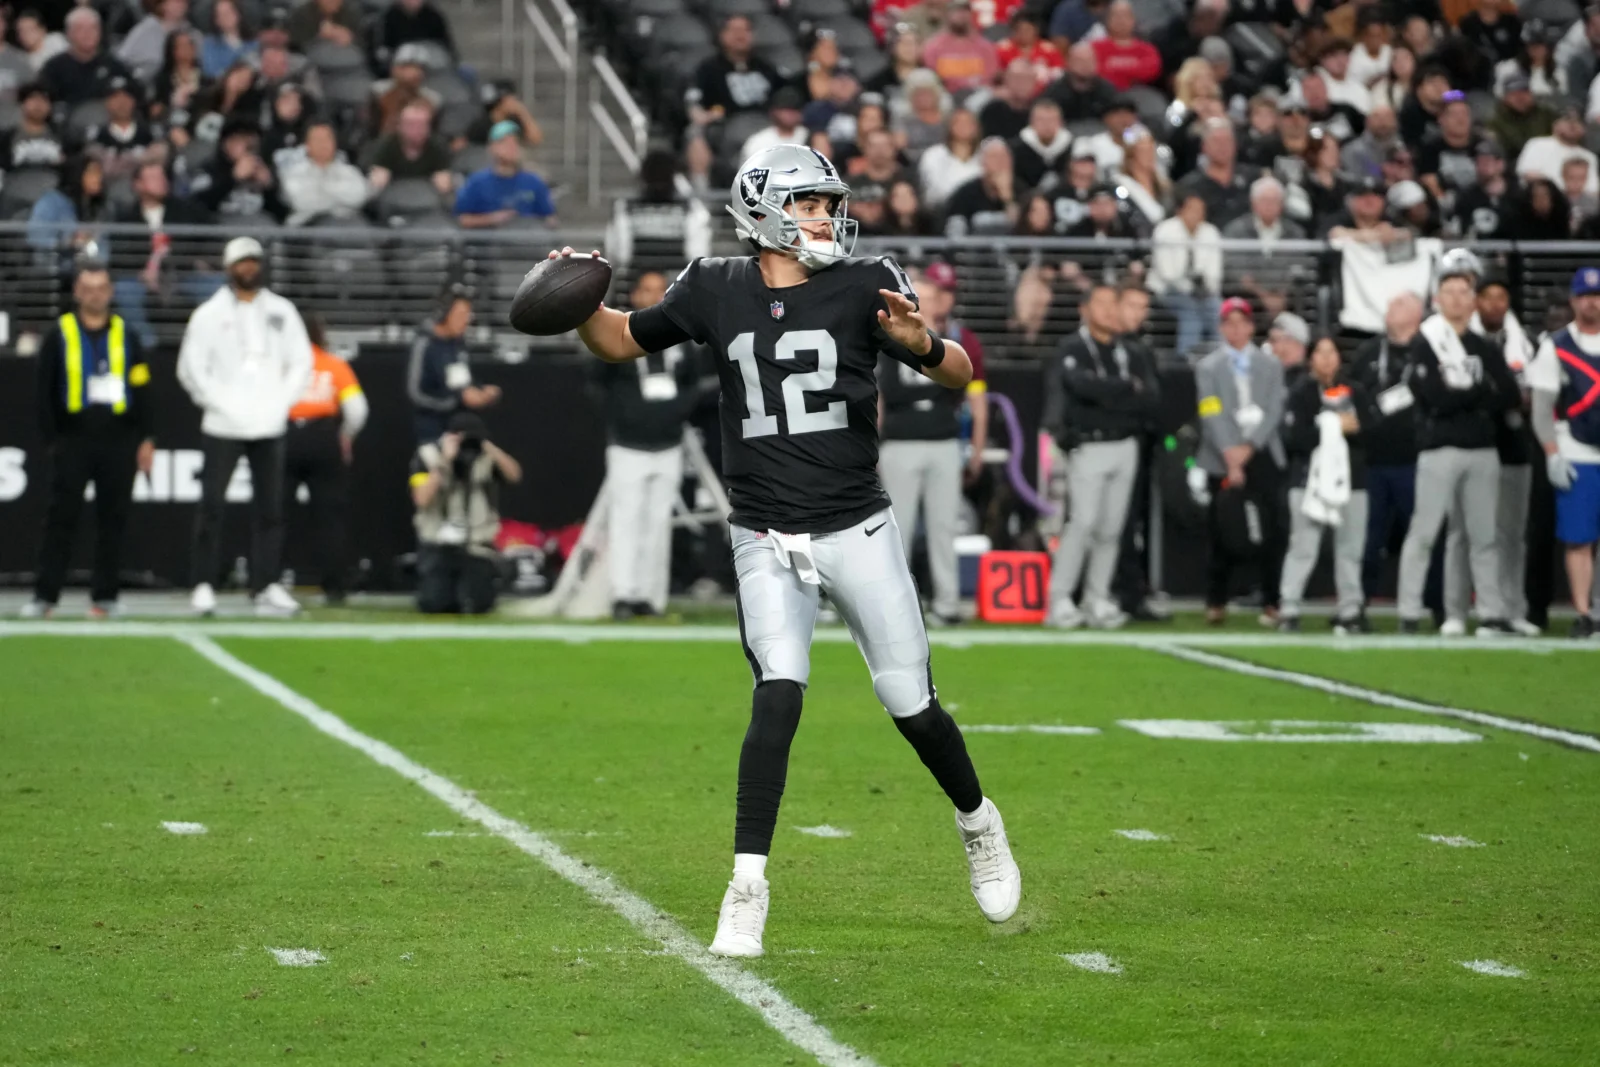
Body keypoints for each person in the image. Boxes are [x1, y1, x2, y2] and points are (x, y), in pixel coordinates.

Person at [553, 142, 1020, 958]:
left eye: (825, 204)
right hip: (765, 532)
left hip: (857, 526)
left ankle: (979, 821)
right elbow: (622, 340)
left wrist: (919, 342)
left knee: (912, 705)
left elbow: (957, 371)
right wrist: (577, 299)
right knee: (778, 695)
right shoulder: (712, 286)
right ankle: (747, 885)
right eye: (808, 204)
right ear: (766, 212)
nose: (825, 217)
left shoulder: (868, 276)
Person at [177, 237, 314, 617]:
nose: (249, 268)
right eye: (242, 262)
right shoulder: (208, 314)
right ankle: (204, 584)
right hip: (223, 422)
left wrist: (281, 401)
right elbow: (190, 368)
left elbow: (301, 361)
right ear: (229, 268)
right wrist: (218, 401)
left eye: (254, 261)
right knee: (212, 506)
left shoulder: (283, 312)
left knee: (271, 508)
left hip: (269, 422)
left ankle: (265, 585)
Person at [1395, 250, 1521, 636]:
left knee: (1484, 535)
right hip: (1440, 449)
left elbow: (1510, 394)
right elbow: (1434, 396)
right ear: (1438, 299)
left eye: (1462, 291)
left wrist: (1466, 393)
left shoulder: (1484, 346)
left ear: (1472, 300)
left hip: (1482, 450)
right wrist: (1478, 394)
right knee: (1428, 531)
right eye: (1447, 291)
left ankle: (1491, 611)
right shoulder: (1427, 342)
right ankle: (1413, 611)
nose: (1455, 299)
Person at [20, 262, 154, 620]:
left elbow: (141, 386)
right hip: (74, 439)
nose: (96, 294)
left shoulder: (127, 334)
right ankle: (45, 597)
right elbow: (43, 390)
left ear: (110, 292)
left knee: (113, 519)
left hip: (119, 439)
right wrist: (54, 439)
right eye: (88, 288)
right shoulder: (59, 334)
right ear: (77, 293)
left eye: (102, 288)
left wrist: (146, 437)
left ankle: (105, 597)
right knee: (61, 519)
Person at [1043, 282, 1159, 630]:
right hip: (1089, 446)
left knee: (1111, 529)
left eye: (1114, 303)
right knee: (1083, 523)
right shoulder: (1073, 347)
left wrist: (1104, 392)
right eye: (1102, 303)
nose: (1110, 310)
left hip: (1125, 445)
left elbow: (1150, 396)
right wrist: (1123, 389)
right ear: (1086, 309)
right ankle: (1059, 599)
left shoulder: (1130, 350)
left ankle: (1097, 598)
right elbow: (1078, 386)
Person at [878, 262, 987, 627]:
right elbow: (877, 394)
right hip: (901, 441)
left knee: (944, 527)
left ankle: (947, 601)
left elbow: (973, 395)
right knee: (898, 530)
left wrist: (976, 445)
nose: (929, 301)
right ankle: (894, 606)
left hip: (942, 440)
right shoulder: (886, 336)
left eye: (933, 295)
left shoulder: (957, 339)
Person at [590, 271, 701, 620]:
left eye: (659, 290)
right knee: (626, 520)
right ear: (635, 295)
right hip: (628, 445)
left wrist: (675, 412)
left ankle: (652, 597)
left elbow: (693, 384)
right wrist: (625, 415)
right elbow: (596, 382)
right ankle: (624, 593)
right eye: (647, 290)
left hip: (668, 443)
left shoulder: (680, 337)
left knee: (658, 523)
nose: (654, 296)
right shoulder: (617, 331)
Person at [1442, 275, 1539, 636]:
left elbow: (1525, 396)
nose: (1495, 304)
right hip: (1472, 445)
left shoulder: (1527, 343)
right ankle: (1456, 611)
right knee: (1462, 532)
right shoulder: (1453, 343)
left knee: (1511, 534)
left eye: (1502, 297)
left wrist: (1485, 397)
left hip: (1513, 448)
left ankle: (1510, 608)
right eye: (1487, 297)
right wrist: (1492, 398)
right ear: (1473, 302)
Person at [1195, 297, 1288, 627]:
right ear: (1221, 328)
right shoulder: (1207, 367)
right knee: (1220, 530)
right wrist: (1229, 453)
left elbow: (1275, 409)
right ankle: (1216, 599)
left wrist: (1250, 447)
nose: (1236, 329)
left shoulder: (1271, 365)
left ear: (1251, 326)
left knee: (1274, 529)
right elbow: (1209, 411)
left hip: (1261, 453)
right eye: (1229, 323)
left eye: (1241, 322)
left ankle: (1272, 600)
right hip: (1222, 455)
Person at [1277, 337, 1372, 634]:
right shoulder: (1301, 392)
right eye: (1321, 352)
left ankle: (1350, 608)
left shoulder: (1355, 391)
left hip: (1351, 481)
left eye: (1333, 352)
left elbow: (1370, 429)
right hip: (1309, 482)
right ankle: (1289, 607)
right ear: (1311, 358)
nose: (1327, 359)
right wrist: (1333, 425)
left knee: (1350, 549)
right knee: (1303, 546)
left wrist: (1340, 427)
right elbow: (1295, 438)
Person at [1528, 267, 1600, 638]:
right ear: (1574, 300)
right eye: (1586, 295)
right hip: (1578, 451)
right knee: (1579, 538)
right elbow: (1542, 406)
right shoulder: (1556, 346)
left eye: (1598, 295)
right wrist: (1553, 453)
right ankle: (1584, 611)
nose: (1593, 302)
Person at [283, 314, 366, 605]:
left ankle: (268, 581)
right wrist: (345, 437)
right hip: (323, 437)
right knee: (330, 517)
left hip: (287, 435)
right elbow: (357, 410)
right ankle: (334, 586)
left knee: (275, 514)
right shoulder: (333, 364)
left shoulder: (282, 365)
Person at [1351, 293, 1424, 600]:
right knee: (1367, 537)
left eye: (1397, 305)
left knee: (1421, 536)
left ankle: (1431, 603)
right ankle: (1359, 602)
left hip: (1416, 461)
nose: (1388, 309)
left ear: (1416, 314)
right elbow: (1349, 393)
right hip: (1373, 461)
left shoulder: (1428, 351)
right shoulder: (1369, 351)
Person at [410, 412, 521, 614]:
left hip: (475, 544)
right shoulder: (427, 455)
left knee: (479, 604)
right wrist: (444, 462)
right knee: (436, 604)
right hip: (438, 543)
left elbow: (514, 475)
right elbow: (421, 499)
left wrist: (489, 448)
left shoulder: (486, 458)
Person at [408, 284, 500, 444]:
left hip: (459, 430)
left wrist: (480, 391)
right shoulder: (424, 344)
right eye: (461, 314)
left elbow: (461, 380)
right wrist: (455, 400)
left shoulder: (457, 344)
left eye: (468, 314)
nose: (467, 320)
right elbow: (415, 392)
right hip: (431, 433)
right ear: (443, 314)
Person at [1149, 192, 1222, 356]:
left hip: (1202, 292)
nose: (1197, 214)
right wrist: (1191, 290)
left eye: (1200, 210)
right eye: (1192, 209)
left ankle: (1222, 360)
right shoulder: (1165, 230)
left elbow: (1214, 272)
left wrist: (1208, 290)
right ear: (1180, 210)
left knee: (1218, 311)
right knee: (1191, 315)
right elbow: (1167, 273)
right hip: (1168, 290)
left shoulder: (1211, 232)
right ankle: (1186, 362)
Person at [454, 121, 556, 228]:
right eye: (505, 142)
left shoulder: (534, 182)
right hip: (487, 242)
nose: (512, 147)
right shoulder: (477, 182)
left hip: (526, 241)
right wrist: (491, 219)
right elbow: (462, 219)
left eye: (515, 142)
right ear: (492, 147)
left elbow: (549, 218)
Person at [687, 15, 780, 129]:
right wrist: (702, 115)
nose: (740, 35)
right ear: (722, 35)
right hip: (724, 127)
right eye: (734, 30)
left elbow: (783, 95)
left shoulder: (766, 67)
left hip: (766, 126)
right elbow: (693, 100)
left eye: (746, 30)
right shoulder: (708, 69)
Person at [39, 7, 134, 107]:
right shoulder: (53, 69)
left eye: (93, 28)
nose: (87, 33)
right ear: (68, 33)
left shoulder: (115, 67)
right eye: (80, 29)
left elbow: (134, 95)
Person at [281, 120, 369, 226]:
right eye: (318, 140)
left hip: (346, 222)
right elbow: (302, 203)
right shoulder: (295, 172)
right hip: (308, 224)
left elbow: (358, 197)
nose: (323, 144)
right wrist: (340, 199)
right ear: (307, 145)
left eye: (327, 139)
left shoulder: (349, 171)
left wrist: (323, 187)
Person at [921, 0, 1000, 94]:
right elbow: (932, 78)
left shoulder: (985, 47)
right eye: (957, 10)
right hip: (945, 96)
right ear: (947, 14)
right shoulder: (933, 46)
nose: (961, 15)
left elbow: (989, 78)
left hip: (977, 96)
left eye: (965, 11)